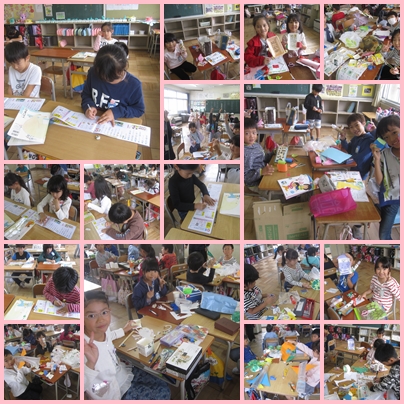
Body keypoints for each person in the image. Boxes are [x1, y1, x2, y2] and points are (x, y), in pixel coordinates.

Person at [84, 290, 170, 400]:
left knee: (161, 383)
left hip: (122, 374)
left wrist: (124, 329)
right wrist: (90, 364)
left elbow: (110, 335)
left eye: (104, 312)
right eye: (91, 315)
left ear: (109, 311)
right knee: (163, 393)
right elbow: (84, 387)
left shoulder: (103, 330)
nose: (101, 320)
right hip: (112, 394)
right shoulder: (84, 348)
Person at [81, 45, 145, 126]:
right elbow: (86, 94)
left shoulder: (134, 85)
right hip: (95, 120)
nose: (107, 81)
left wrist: (116, 112)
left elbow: (139, 110)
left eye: (112, 79)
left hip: (118, 122)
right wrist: (89, 106)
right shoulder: (93, 73)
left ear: (124, 67)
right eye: (103, 78)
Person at [371, 115, 400, 239]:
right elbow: (379, 181)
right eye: (386, 137)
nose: (392, 139)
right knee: (383, 235)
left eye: (394, 132)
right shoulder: (384, 154)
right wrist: (377, 160)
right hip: (392, 197)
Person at [340, 113, 375, 180]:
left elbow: (361, 158)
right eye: (351, 127)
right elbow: (349, 149)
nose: (354, 129)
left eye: (356, 125)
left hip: (360, 173)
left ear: (363, 123)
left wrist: (346, 159)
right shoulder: (356, 138)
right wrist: (343, 139)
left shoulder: (370, 140)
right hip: (352, 168)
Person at [244, 118, 274, 195]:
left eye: (254, 132)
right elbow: (246, 177)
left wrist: (274, 152)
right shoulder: (245, 153)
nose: (251, 136)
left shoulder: (256, 145)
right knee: (276, 195)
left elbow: (263, 158)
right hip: (255, 184)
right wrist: (261, 172)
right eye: (247, 133)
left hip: (263, 176)